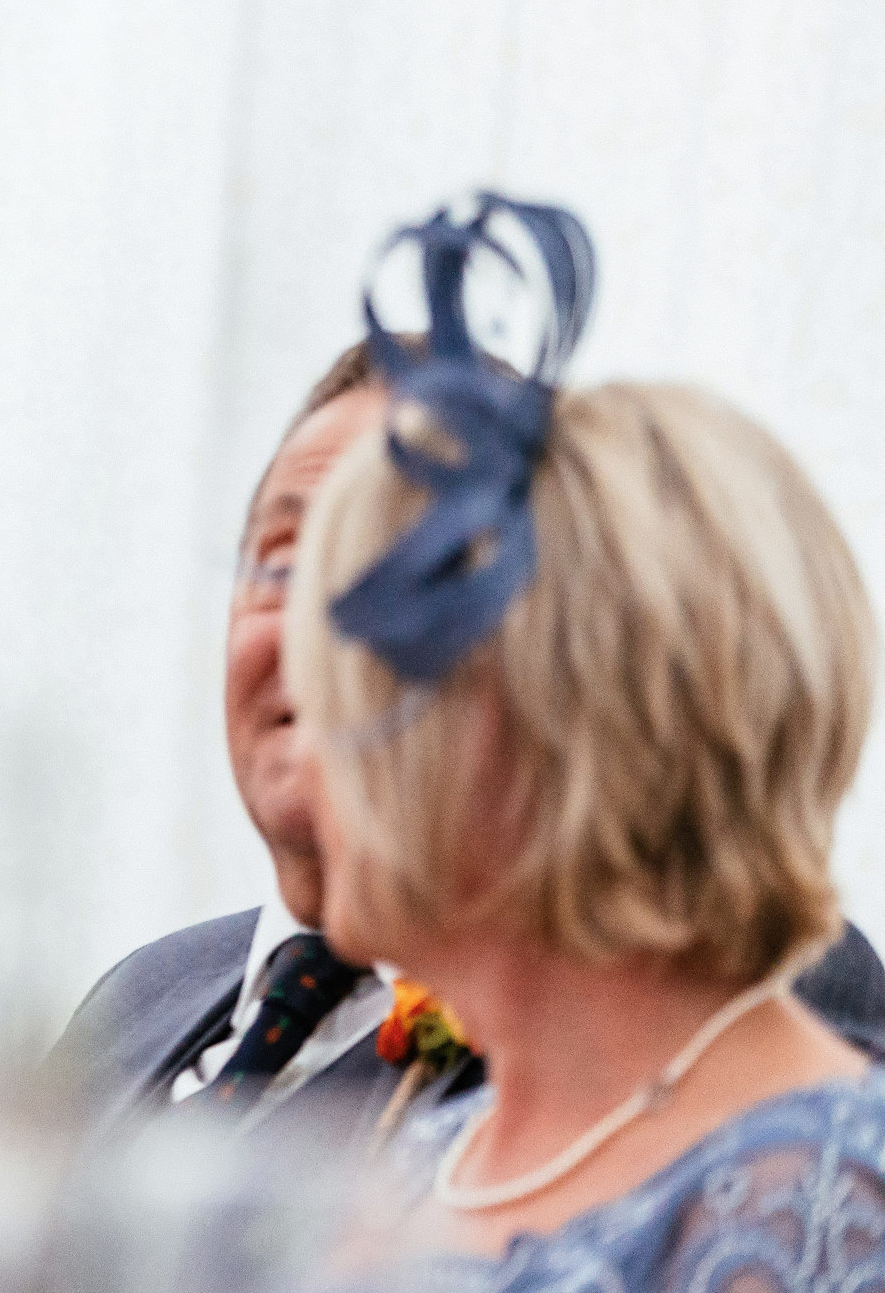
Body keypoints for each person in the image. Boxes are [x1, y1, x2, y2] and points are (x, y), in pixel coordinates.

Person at [281, 198, 885, 1293]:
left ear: (511, 729)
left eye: (351, 689)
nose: (308, 754)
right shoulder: (432, 1149)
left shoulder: (819, 1195)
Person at [48, 337, 885, 1141]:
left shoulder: (727, 991)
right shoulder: (138, 996)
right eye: (283, 559)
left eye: (398, 565)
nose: (323, 624)